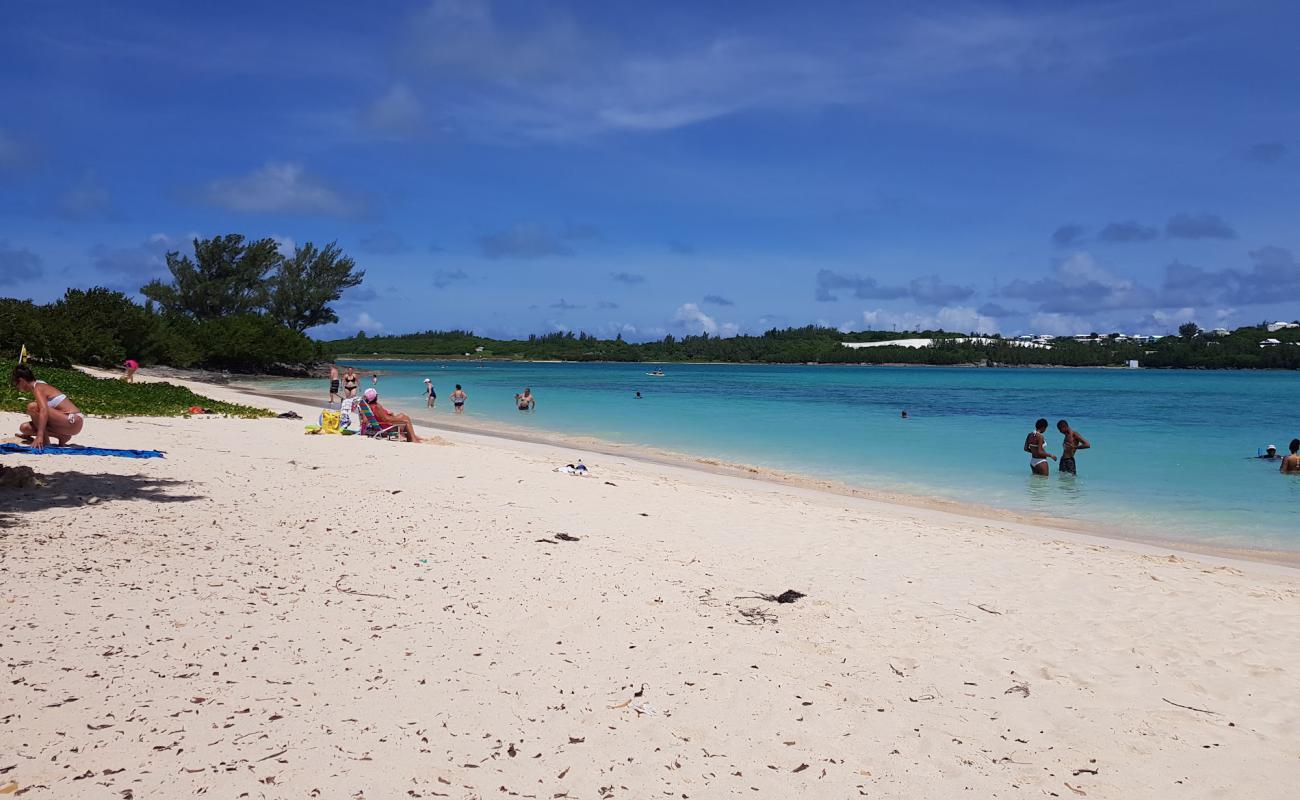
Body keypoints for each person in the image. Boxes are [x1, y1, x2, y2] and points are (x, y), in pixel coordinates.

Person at [11, 364, 85, 449]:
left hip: (73, 421)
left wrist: (39, 435)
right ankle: (61, 436)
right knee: (25, 428)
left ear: (21, 380)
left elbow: (43, 410)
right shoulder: (40, 384)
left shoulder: (38, 388)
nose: (17, 388)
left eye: (16, 385)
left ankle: (45, 441)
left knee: (32, 407)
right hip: (63, 421)